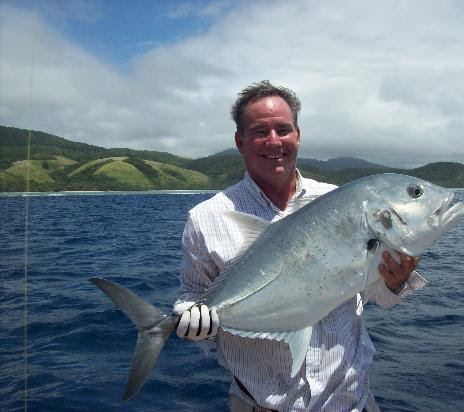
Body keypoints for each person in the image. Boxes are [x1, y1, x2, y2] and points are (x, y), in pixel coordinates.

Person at [173, 81, 425, 411]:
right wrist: (191, 325)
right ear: (240, 141)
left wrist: (396, 282)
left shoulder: (339, 202)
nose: (274, 140)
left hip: (353, 402)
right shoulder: (207, 218)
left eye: (283, 129)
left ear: (298, 135)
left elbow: (373, 293)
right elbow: (192, 298)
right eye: (260, 131)